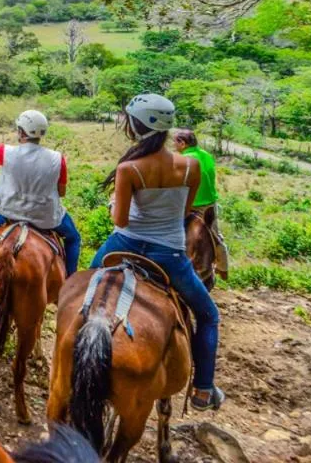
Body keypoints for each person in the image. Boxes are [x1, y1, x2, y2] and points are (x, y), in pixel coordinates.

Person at [90, 94, 224, 411]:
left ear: (135, 127)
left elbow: (120, 220)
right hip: (170, 254)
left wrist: (114, 207)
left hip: (124, 246)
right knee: (208, 315)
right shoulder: (190, 166)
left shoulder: (129, 168)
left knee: (79, 283)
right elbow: (186, 210)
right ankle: (203, 390)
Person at [0, 110, 81, 276]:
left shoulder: (6, 152)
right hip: (45, 218)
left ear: (22, 131)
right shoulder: (58, 159)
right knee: (73, 238)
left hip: (9, 214)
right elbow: (62, 192)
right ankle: (69, 281)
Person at [174, 128, 230, 280]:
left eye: (175, 142)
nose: (174, 146)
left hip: (191, 204)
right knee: (214, 235)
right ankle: (223, 267)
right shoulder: (206, 155)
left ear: (182, 143)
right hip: (209, 202)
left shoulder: (185, 159)